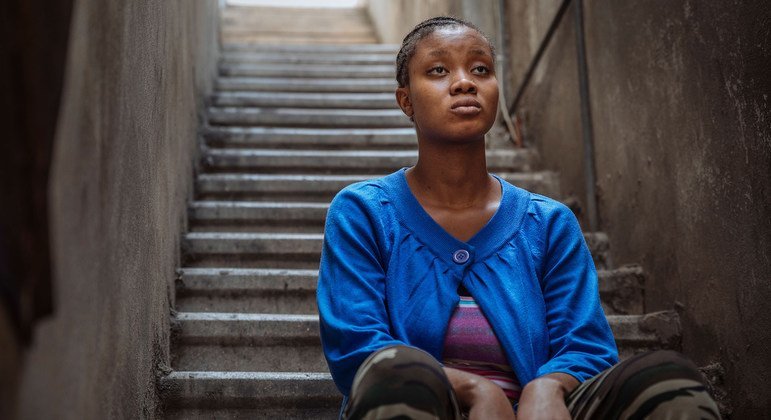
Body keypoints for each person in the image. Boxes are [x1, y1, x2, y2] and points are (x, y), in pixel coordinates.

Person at [317, 16, 720, 420]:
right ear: (406, 100)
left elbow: (586, 347)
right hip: (420, 406)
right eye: (438, 70)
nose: (464, 82)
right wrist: (476, 390)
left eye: (481, 69)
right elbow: (358, 348)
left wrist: (548, 386)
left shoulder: (548, 223)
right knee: (397, 371)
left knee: (669, 379)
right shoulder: (365, 212)